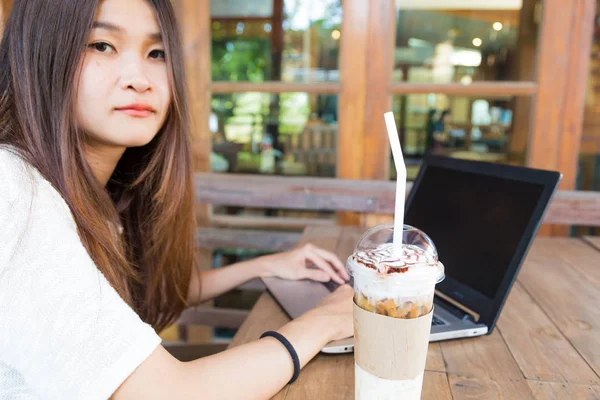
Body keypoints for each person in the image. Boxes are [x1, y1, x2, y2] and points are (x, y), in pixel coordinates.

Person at [0, 1, 354, 399]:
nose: (139, 79)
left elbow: (149, 294)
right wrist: (325, 320)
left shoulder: (95, 194)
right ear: (38, 55)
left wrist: (264, 265)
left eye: (157, 53)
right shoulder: (14, 192)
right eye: (101, 45)